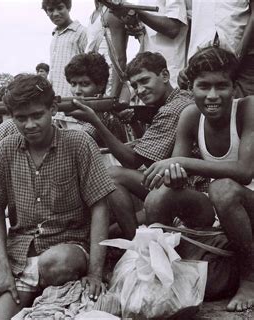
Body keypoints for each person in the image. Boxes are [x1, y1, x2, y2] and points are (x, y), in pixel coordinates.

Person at [0, 74, 115, 320]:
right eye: (21, 118)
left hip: (69, 250)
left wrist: (95, 272)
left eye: (37, 115)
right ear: (11, 117)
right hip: (21, 257)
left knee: (56, 261)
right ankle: (41, 298)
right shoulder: (6, 149)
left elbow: (100, 207)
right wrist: (3, 271)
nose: (30, 124)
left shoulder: (79, 143)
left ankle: (45, 296)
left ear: (53, 108)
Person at [142, 46, 254, 312]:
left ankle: (250, 278)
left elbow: (245, 171)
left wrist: (182, 163)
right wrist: (174, 176)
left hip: (245, 200)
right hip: (218, 208)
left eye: (221, 86)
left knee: (223, 189)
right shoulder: (190, 116)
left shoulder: (248, 109)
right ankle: (163, 275)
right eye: (203, 86)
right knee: (157, 197)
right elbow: (177, 180)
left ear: (234, 86)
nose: (212, 95)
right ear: (191, 88)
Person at [67, 51, 195, 240]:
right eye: (135, 85)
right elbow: (154, 152)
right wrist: (134, 122)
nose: (140, 90)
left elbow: (133, 162)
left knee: (111, 175)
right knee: (109, 232)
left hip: (188, 189)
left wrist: (96, 121)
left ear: (165, 76)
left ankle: (136, 244)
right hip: (178, 185)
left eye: (145, 81)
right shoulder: (180, 98)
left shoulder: (172, 109)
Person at [180, 0, 254, 97]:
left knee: (244, 107)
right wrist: (190, 63)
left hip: (243, 60)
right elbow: (191, 19)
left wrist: (239, 54)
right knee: (204, 106)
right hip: (203, 60)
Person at [42, 0, 87, 129]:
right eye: (50, 10)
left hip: (75, 106)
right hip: (58, 107)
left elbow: (92, 69)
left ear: (68, 7)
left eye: (60, 8)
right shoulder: (55, 35)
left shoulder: (81, 32)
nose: (55, 13)